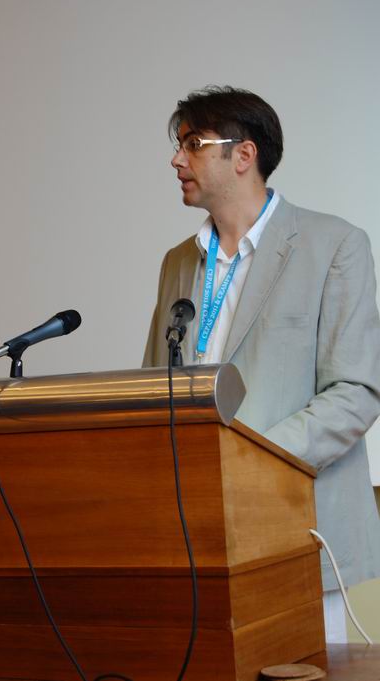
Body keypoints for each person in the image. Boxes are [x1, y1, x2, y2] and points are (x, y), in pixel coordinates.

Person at [143, 85, 380, 643]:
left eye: (193, 144)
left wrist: (252, 463)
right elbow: (155, 385)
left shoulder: (334, 244)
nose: (177, 160)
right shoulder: (178, 262)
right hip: (199, 530)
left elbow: (356, 392)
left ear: (243, 155)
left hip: (299, 526)